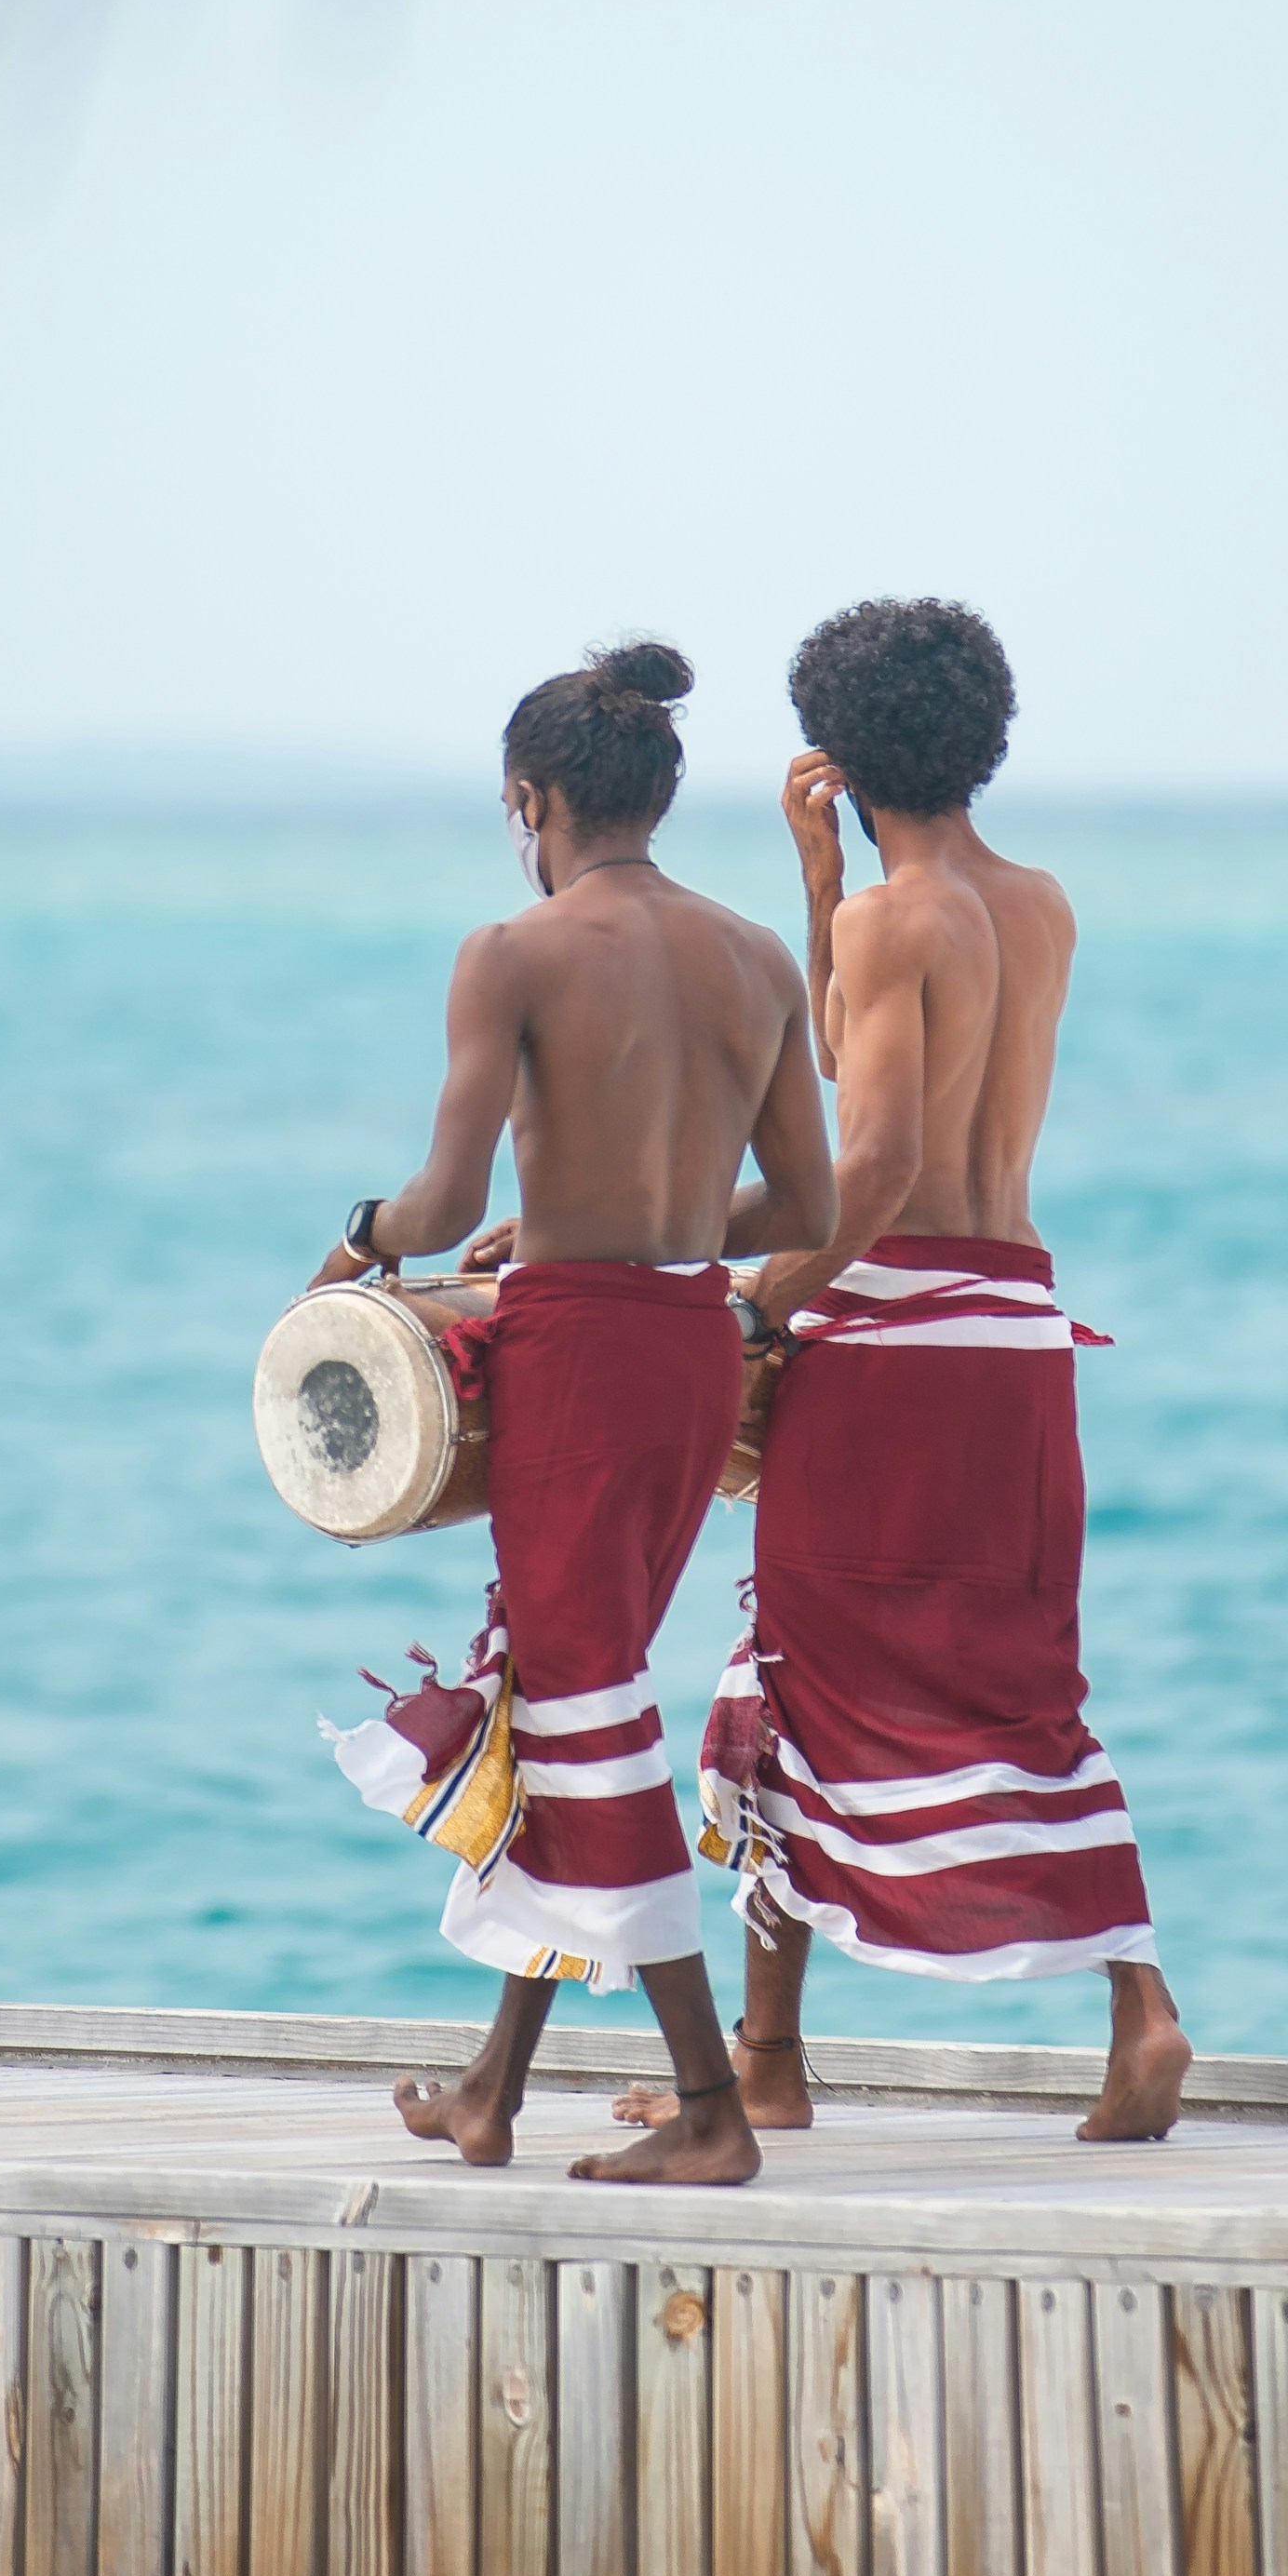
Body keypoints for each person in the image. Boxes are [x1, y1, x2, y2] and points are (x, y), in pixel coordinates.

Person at [637, 595, 1189, 2146]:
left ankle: (767, 2062)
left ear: (843, 746)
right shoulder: (1037, 906)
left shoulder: (899, 926)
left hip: (895, 1343)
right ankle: (1140, 2009)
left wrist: (755, 1310)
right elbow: (868, 1062)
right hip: (1015, 1335)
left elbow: (871, 1164)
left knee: (792, 1672)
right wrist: (824, 884)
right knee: (1025, 1687)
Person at [313, 637, 832, 2190]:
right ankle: (493, 2090)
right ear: (655, 796)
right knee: (564, 1689)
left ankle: (710, 2107)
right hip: (688, 1349)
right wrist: (634, 1219)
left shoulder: (512, 953)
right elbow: (803, 1206)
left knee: (587, 1707)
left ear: (531, 801)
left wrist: (361, 1238)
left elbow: (440, 1202)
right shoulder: (758, 957)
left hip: (578, 1360)